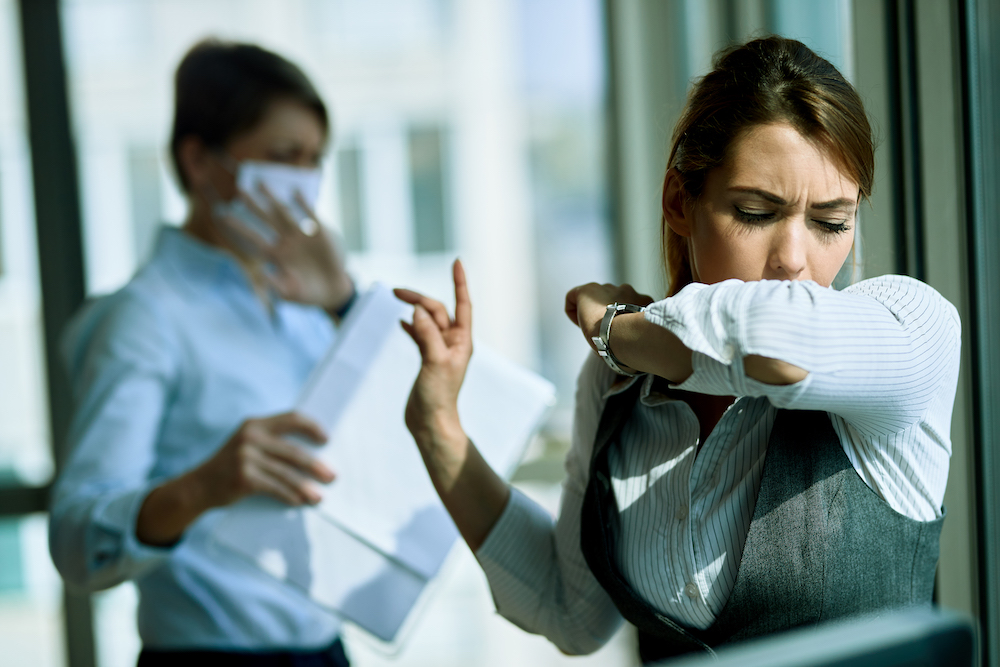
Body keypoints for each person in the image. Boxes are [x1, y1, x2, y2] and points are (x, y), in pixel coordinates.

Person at [395, 36, 961, 663]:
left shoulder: (912, 330)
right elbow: (569, 609)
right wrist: (438, 428)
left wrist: (615, 327)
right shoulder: (617, 384)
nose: (796, 260)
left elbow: (775, 343)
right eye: (754, 212)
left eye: (831, 222)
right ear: (677, 203)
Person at [49, 40, 354, 666]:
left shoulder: (306, 305)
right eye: (282, 157)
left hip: (327, 648)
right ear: (199, 161)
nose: (303, 181)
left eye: (314, 160)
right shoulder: (147, 315)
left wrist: (344, 302)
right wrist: (204, 486)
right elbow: (77, 540)